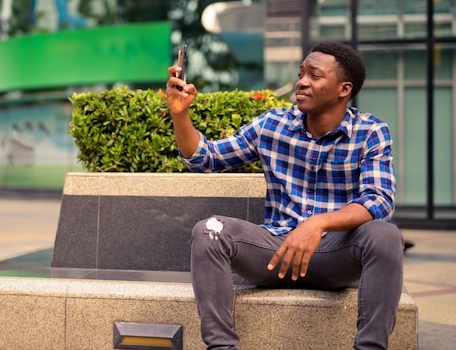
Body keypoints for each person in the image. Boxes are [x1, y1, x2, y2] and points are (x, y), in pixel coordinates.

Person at [165, 41, 404, 350]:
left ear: (344, 89)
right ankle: (221, 347)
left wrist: (317, 224)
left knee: (385, 235)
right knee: (210, 232)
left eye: (315, 76)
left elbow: (379, 200)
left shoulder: (370, 131)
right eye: (301, 73)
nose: (302, 82)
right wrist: (180, 115)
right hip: (276, 252)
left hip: (335, 255)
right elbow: (206, 158)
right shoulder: (273, 124)